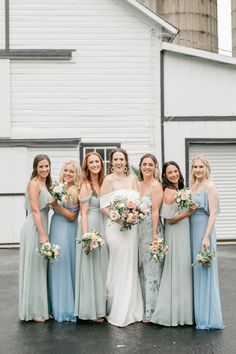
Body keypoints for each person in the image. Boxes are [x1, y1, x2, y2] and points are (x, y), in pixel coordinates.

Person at [100, 148, 143, 327]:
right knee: (118, 264)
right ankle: (117, 308)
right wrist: (118, 217)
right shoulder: (108, 180)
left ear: (126, 161)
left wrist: (132, 216)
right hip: (115, 228)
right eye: (116, 159)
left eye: (121, 159)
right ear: (112, 162)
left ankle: (132, 309)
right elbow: (103, 206)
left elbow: (138, 202)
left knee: (130, 265)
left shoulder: (133, 179)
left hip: (131, 227)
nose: (119, 162)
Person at [151, 161, 196, 326]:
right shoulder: (169, 191)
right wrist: (188, 213)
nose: (173, 174)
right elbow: (169, 219)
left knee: (182, 270)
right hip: (176, 235)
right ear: (165, 176)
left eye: (175, 171)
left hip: (183, 232)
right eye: (169, 172)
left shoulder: (179, 190)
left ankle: (183, 312)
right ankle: (173, 312)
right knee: (177, 270)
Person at [189, 155, 224, 330]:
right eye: (195, 167)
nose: (197, 170)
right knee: (195, 270)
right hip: (191, 229)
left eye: (200, 167)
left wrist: (206, 236)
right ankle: (197, 313)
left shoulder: (210, 187)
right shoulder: (193, 186)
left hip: (204, 229)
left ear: (206, 168)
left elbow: (214, 213)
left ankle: (208, 316)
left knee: (205, 270)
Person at [74, 152, 108, 322]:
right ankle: (91, 310)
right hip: (91, 226)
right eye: (91, 162)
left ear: (101, 163)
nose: (95, 164)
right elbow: (84, 213)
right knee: (91, 267)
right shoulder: (86, 185)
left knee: (102, 267)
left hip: (104, 225)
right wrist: (87, 236)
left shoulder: (104, 182)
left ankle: (102, 306)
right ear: (86, 166)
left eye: (97, 161)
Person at [19, 154, 52, 322]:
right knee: (35, 268)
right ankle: (34, 311)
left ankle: (41, 306)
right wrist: (42, 233)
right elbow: (35, 211)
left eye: (47, 166)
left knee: (41, 267)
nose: (44, 169)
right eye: (41, 167)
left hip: (42, 225)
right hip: (35, 227)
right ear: (35, 168)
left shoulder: (44, 183)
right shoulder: (33, 184)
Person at [48, 160, 81, 322]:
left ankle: (66, 308)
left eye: (71, 171)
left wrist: (55, 206)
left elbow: (72, 216)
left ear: (76, 175)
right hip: (55, 227)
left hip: (67, 229)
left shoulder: (75, 190)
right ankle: (55, 306)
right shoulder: (59, 187)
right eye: (66, 170)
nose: (68, 173)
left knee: (65, 264)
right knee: (55, 264)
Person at [138, 154, 164, 322]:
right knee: (140, 269)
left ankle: (152, 311)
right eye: (144, 164)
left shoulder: (156, 186)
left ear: (155, 167)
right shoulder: (137, 184)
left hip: (151, 231)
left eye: (150, 164)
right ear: (140, 166)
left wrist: (154, 234)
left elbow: (155, 210)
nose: (147, 167)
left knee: (152, 270)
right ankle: (141, 308)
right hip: (137, 231)